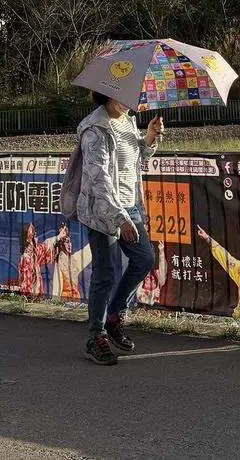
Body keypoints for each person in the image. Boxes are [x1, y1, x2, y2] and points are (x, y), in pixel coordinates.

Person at [75, 91, 164, 365]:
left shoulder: (127, 120)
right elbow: (99, 179)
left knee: (144, 259)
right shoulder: (95, 129)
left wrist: (148, 138)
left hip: (130, 205)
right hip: (103, 210)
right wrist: (120, 218)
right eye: (123, 96)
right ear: (108, 97)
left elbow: (133, 158)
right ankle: (96, 336)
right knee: (105, 272)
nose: (130, 101)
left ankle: (114, 315)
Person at [137, 237, 167, 307]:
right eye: (150, 283)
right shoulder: (160, 280)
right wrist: (161, 251)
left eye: (148, 284)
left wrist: (161, 251)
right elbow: (163, 268)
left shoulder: (140, 275)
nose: (149, 280)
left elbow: (163, 267)